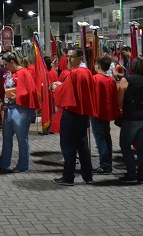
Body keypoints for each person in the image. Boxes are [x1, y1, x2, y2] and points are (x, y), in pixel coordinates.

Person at [50, 48, 96, 186]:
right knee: (83, 146)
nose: (68, 60)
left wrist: (54, 88)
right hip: (82, 113)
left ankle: (68, 176)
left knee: (68, 146)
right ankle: (88, 176)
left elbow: (65, 93)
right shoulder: (87, 72)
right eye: (67, 57)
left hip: (71, 113)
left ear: (80, 57)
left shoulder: (75, 73)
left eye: (71, 57)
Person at [0, 52, 39, 173]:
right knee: (6, 137)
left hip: (20, 109)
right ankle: (4, 162)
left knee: (21, 138)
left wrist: (17, 97)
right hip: (10, 108)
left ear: (12, 62)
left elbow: (30, 90)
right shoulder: (12, 73)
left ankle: (22, 165)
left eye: (6, 64)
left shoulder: (23, 73)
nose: (5, 67)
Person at [115, 58, 143, 184]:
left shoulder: (126, 80)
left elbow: (119, 99)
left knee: (125, 145)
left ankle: (131, 173)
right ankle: (142, 174)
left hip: (132, 117)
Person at [90, 55, 120, 175]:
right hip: (107, 111)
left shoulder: (96, 79)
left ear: (98, 65)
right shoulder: (110, 80)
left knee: (100, 138)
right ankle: (108, 163)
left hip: (97, 111)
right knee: (106, 137)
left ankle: (105, 164)